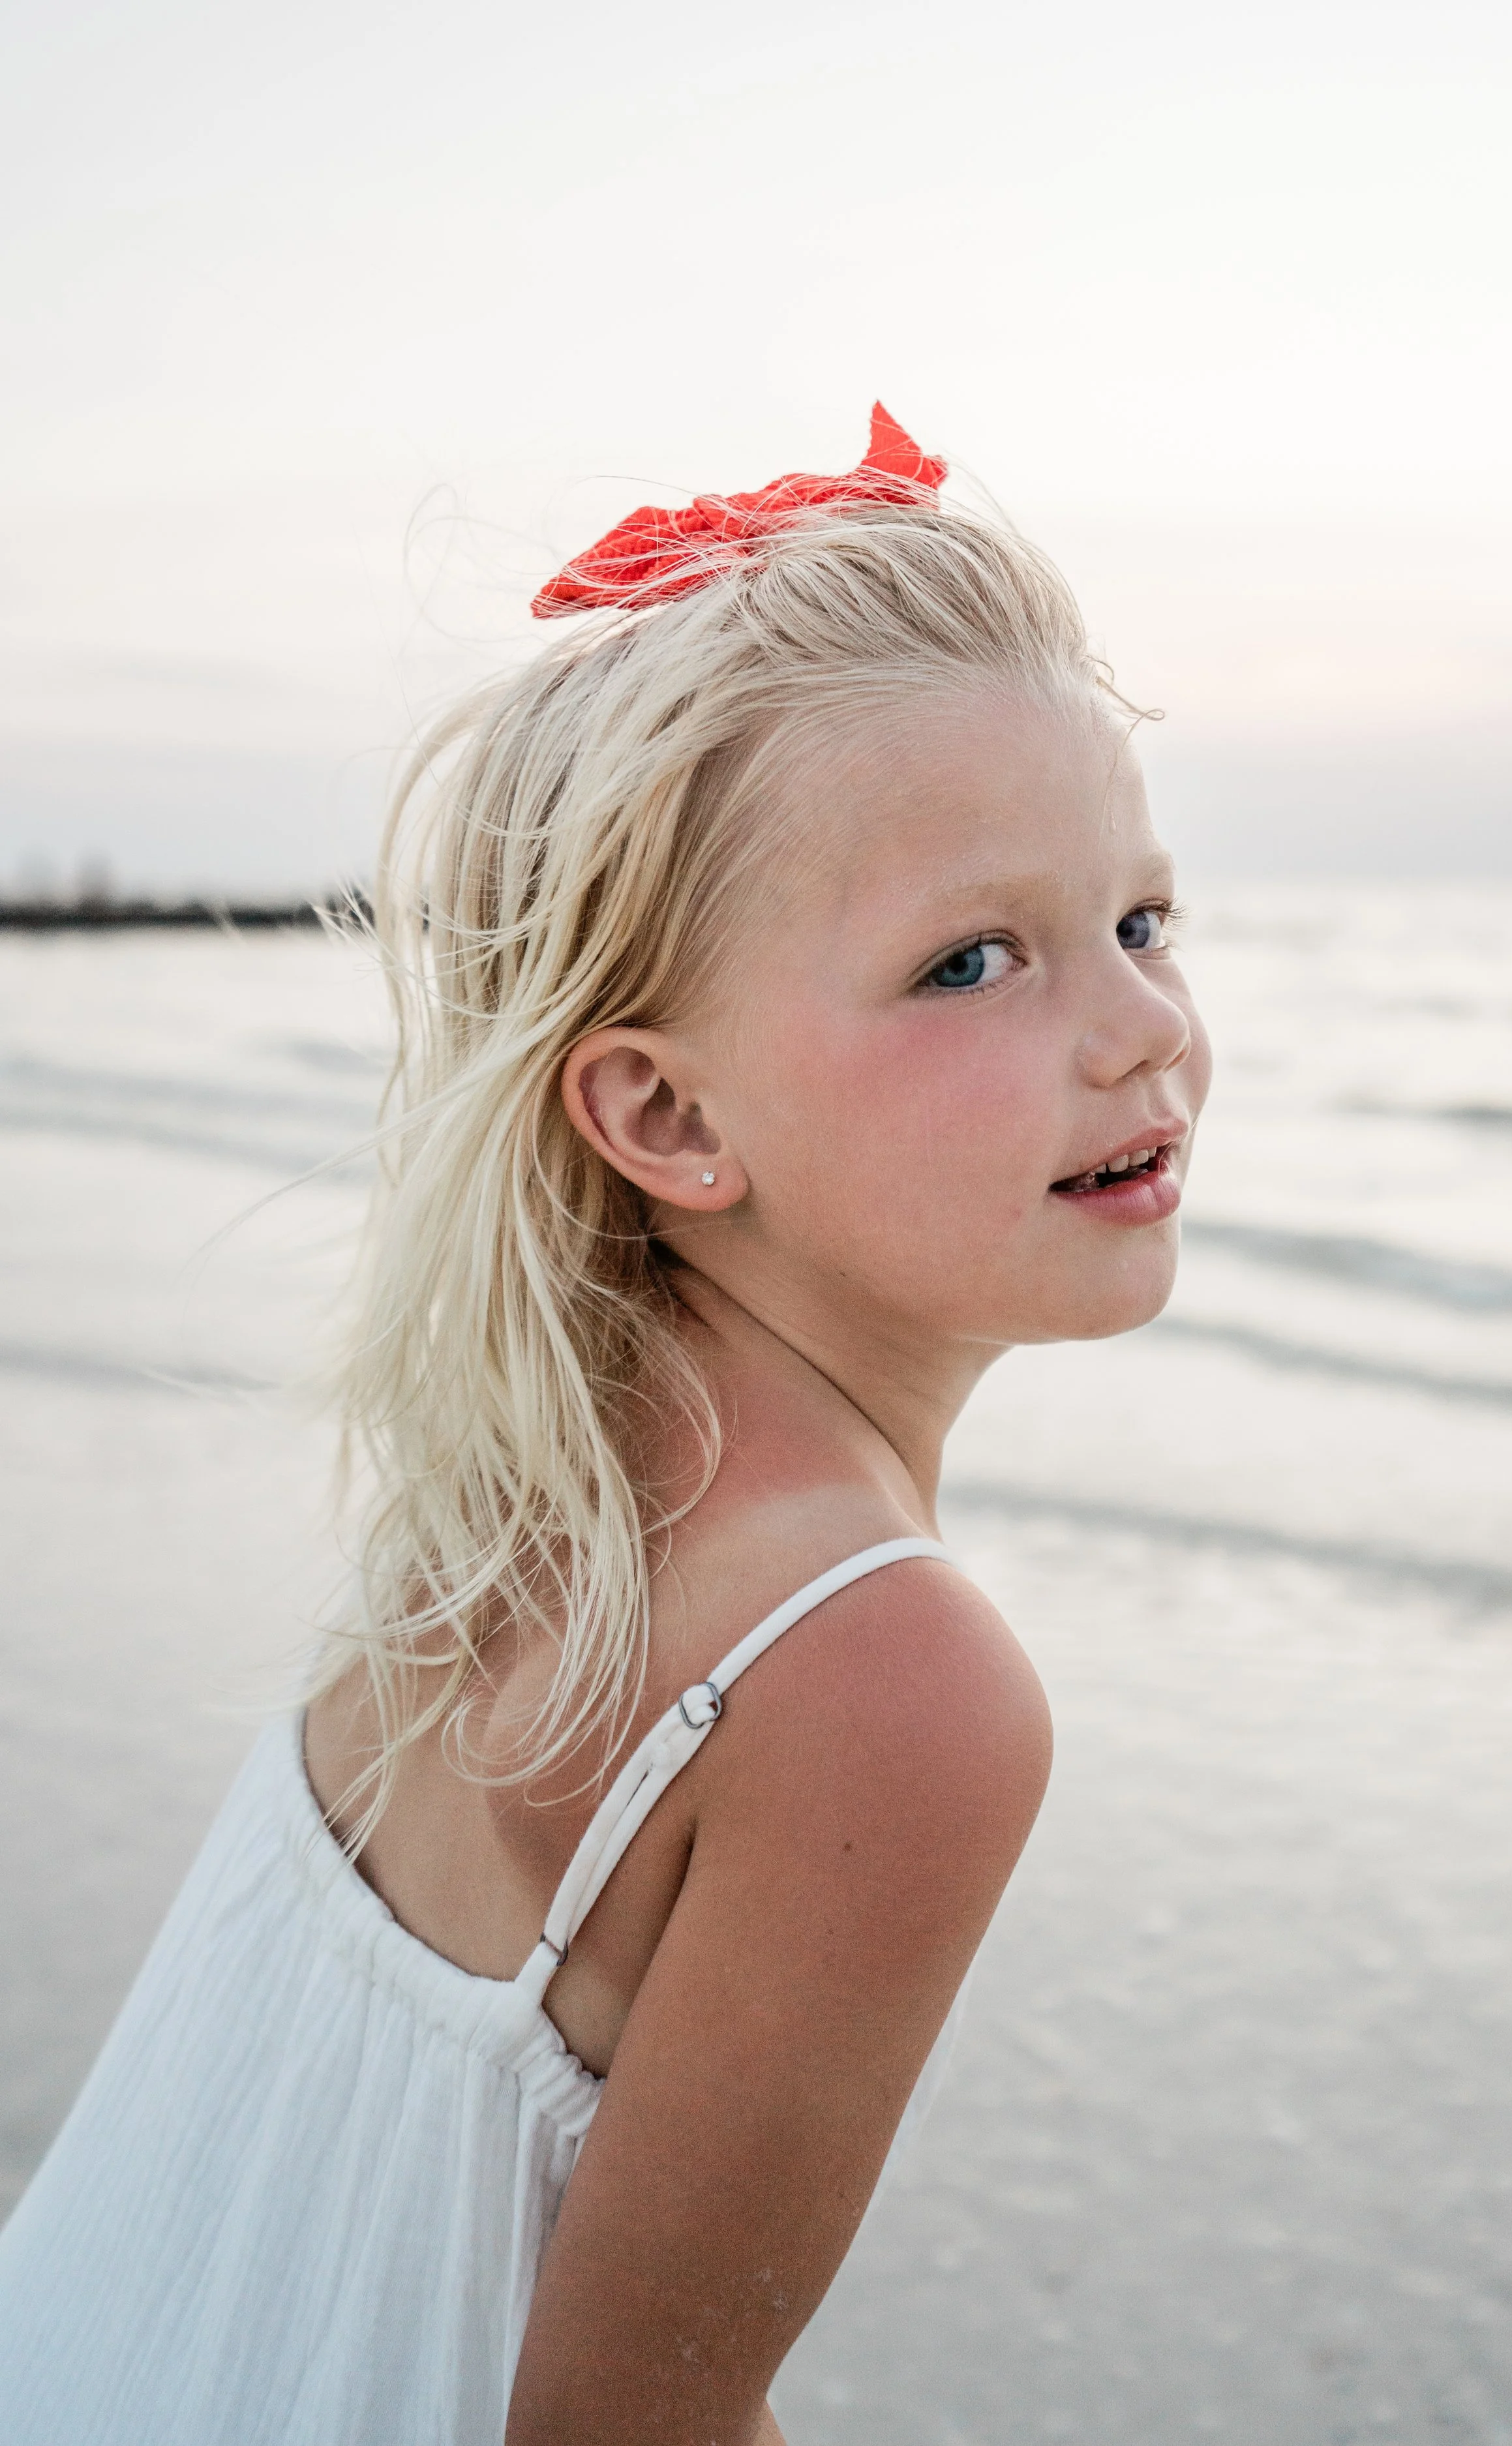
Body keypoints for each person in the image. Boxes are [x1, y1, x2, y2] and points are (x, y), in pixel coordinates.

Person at [0, 406, 1211, 2444]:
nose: (1139, 1027)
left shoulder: (505, 1485)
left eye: (1143, 919)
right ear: (664, 1114)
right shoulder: (877, 1677)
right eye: (971, 959)